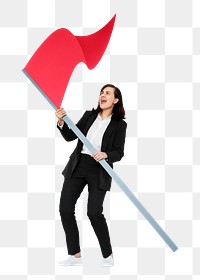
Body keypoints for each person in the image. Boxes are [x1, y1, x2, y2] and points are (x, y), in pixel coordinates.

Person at [55, 84, 127, 267]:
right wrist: (62, 122)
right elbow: (71, 136)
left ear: (115, 100)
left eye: (108, 93)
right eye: (102, 92)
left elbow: (119, 152)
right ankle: (75, 254)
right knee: (65, 208)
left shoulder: (120, 124)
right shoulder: (89, 115)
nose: (103, 95)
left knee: (94, 212)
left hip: (100, 169)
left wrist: (106, 154)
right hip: (78, 166)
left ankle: (108, 255)